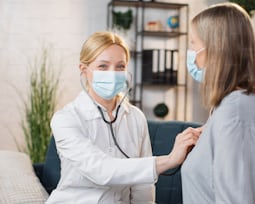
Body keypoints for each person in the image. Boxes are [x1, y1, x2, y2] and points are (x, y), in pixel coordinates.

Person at [46, 31, 201, 204]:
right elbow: (101, 170)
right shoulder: (65, 119)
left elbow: (143, 186)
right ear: (84, 70)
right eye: (103, 66)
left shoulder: (135, 117)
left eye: (120, 66)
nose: (112, 73)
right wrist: (169, 160)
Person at [181, 3, 255, 204]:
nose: (190, 52)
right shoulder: (229, 108)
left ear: (215, 50)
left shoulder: (235, 113)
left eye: (193, 43)